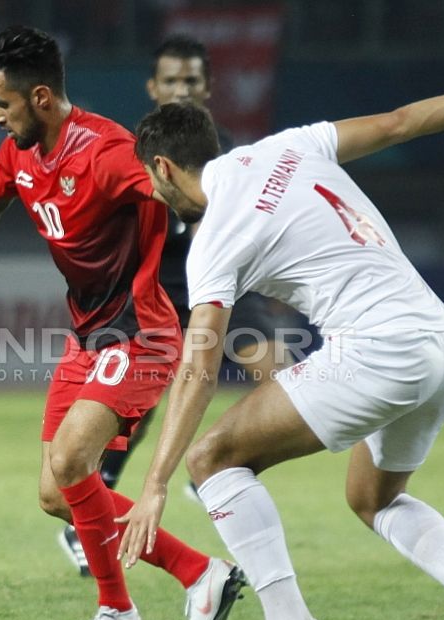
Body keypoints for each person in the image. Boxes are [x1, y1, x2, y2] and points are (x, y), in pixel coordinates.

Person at [117, 44, 444, 620]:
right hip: (443, 345)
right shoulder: (290, 146)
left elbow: (196, 366)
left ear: (162, 166)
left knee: (211, 460)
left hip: (378, 351)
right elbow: (396, 123)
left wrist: (156, 481)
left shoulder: (213, 236)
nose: (154, 192)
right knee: (373, 498)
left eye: (150, 180)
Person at [0, 26, 245, 620]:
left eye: (3, 105)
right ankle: (200, 572)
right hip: (90, 339)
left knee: (72, 456)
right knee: (57, 492)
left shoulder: (109, 153)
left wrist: (222, 219)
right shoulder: (20, 154)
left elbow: (191, 192)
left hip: (143, 333)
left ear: (43, 97)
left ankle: (117, 608)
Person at [57, 34, 287, 576]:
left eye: (191, 80)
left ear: (207, 87)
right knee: (139, 406)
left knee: (279, 373)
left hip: (221, 286)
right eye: (171, 80)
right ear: (153, 87)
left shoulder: (227, 148)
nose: (181, 88)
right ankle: (90, 514)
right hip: (158, 288)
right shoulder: (131, 148)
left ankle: (215, 457)